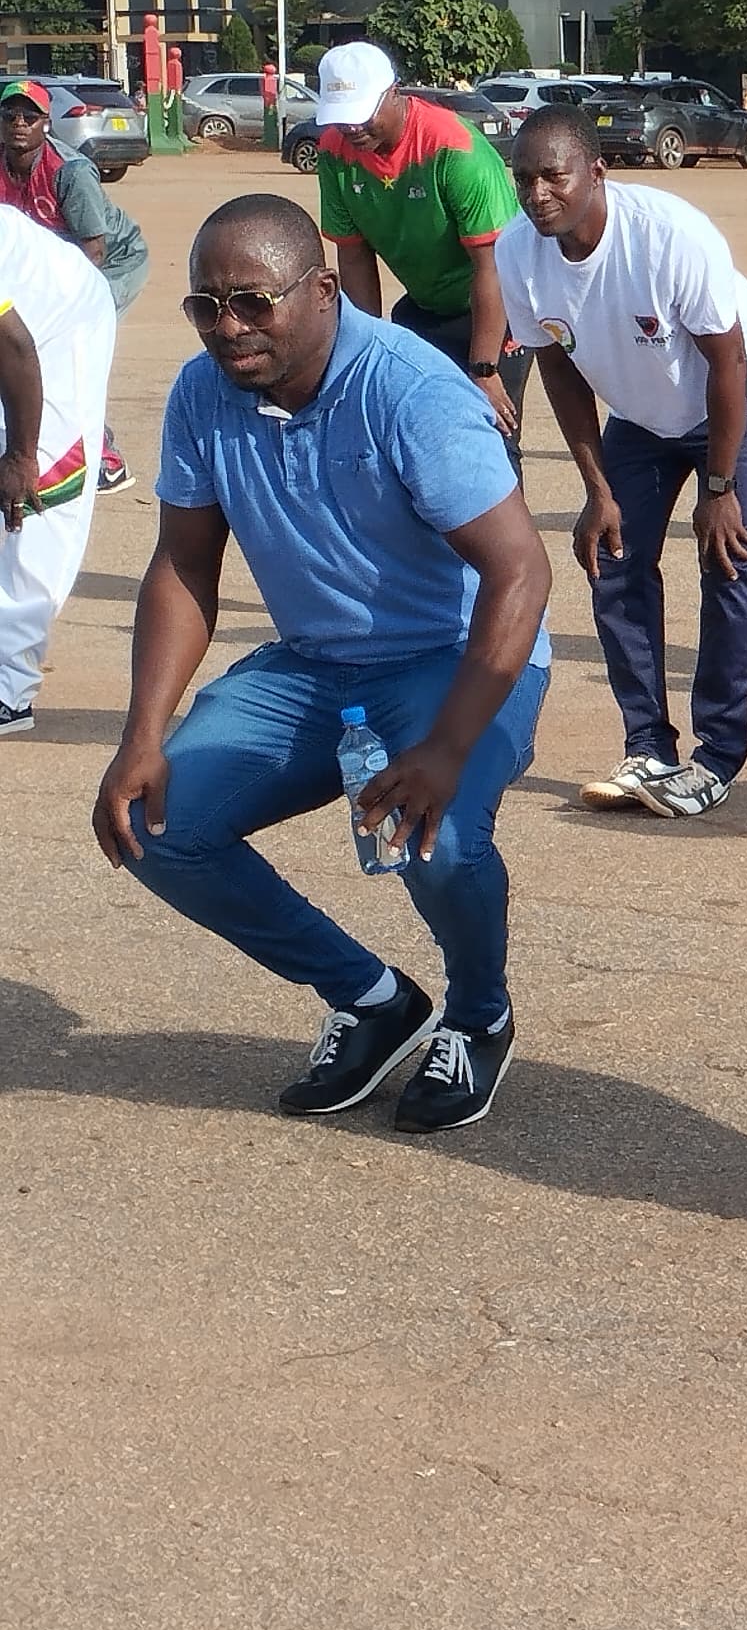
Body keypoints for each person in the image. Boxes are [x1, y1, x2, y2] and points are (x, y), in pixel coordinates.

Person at [90, 194, 551, 1131]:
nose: (228, 327)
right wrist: (142, 734)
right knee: (155, 820)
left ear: (324, 291)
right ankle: (374, 998)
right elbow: (184, 563)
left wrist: (447, 746)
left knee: (440, 832)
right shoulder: (203, 392)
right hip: (312, 666)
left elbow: (520, 574)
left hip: (452, 659)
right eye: (206, 306)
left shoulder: (411, 391)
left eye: (253, 302)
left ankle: (478, 1014)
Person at [500, 106, 747, 820]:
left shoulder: (668, 237)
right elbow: (559, 371)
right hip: (641, 412)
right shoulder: (517, 253)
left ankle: (717, 757)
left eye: (553, 176)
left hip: (739, 390)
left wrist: (718, 488)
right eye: (524, 178)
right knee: (613, 555)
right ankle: (649, 747)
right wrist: (596, 488)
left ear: (596, 173)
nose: (538, 193)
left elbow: (728, 361)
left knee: (732, 558)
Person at [308, 41, 527, 457]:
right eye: (341, 118)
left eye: (361, 114)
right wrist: (363, 351)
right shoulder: (335, 153)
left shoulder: (454, 151)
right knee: (412, 437)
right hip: (425, 309)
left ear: (394, 92)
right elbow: (353, 257)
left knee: (489, 437)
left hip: (500, 308)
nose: (352, 129)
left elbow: (492, 265)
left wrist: (484, 368)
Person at [0, 200, 116, 733]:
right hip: (16, 324)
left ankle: (9, 689)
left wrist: (22, 455)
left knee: (38, 495)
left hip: (60, 322)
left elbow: (16, 348)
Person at [0, 77, 143, 492]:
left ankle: (107, 459)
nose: (19, 123)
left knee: (69, 355)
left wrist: (54, 313)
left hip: (113, 262)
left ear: (47, 123)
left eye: (30, 115)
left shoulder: (69, 172)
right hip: (56, 266)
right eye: (10, 115)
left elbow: (93, 251)